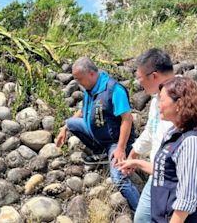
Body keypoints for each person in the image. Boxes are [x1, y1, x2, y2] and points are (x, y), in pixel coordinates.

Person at [128, 48, 197, 222]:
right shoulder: (160, 98)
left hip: (187, 181)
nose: (139, 84)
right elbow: (152, 130)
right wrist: (134, 154)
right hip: (161, 175)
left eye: (140, 79)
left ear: (154, 75)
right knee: (142, 218)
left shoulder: (196, 98)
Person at [118, 77, 197, 223]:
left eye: (162, 100)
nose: (158, 105)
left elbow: (187, 198)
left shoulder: (191, 142)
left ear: (178, 104)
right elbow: (166, 171)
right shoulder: (174, 133)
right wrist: (137, 163)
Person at [56, 57, 140, 211]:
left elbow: (127, 119)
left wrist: (121, 148)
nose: (79, 83)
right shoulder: (90, 88)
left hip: (115, 140)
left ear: (92, 74)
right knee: (71, 122)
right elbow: (84, 110)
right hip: (98, 133)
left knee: (118, 178)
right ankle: (101, 154)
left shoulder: (114, 89)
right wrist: (64, 128)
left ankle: (143, 212)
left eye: (80, 79)